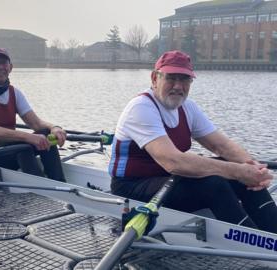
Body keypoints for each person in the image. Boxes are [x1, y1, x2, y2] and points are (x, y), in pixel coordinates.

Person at [108, 50, 277, 233]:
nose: (178, 86)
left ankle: (272, 232)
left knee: (239, 173)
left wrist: (254, 169)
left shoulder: (188, 107)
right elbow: (173, 162)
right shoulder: (141, 107)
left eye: (185, 79)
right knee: (215, 183)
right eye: (171, 78)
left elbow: (221, 145)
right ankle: (256, 246)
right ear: (155, 78)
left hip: (171, 180)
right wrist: (238, 172)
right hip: (132, 186)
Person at [0, 48, 66, 181]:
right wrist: (27, 137)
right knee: (22, 146)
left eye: (4, 63)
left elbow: (36, 123)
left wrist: (55, 128)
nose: (0, 67)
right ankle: (41, 189)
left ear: (11, 67)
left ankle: (59, 182)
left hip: (9, 150)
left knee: (45, 134)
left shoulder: (15, 93)